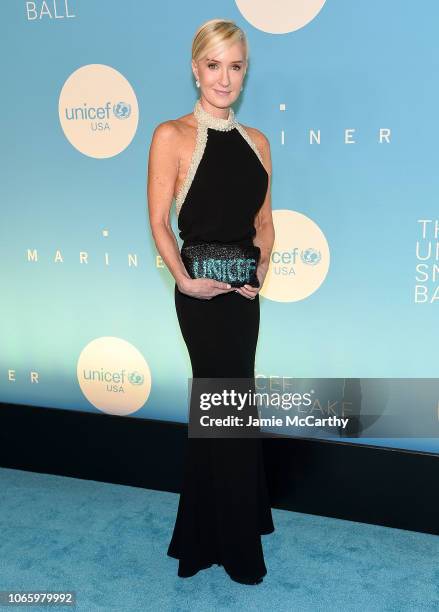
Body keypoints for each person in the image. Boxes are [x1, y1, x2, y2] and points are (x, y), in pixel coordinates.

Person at [147, 18, 275, 585]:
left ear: (245, 72)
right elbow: (157, 221)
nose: (225, 78)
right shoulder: (171, 135)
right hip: (198, 296)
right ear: (195, 68)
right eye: (214, 65)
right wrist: (184, 280)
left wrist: (261, 272)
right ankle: (232, 543)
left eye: (236, 66)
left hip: (242, 296)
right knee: (221, 402)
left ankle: (207, 532)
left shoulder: (258, 143)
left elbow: (264, 225)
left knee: (228, 406)